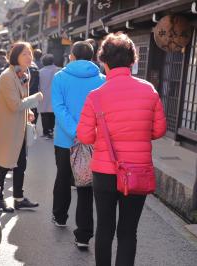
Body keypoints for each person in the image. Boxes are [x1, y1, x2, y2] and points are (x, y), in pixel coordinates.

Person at [77, 33, 166, 266]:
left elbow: (85, 136)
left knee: (105, 228)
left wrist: (105, 138)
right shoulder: (149, 90)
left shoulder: (96, 96)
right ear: (132, 61)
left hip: (105, 172)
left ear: (104, 62)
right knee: (128, 232)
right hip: (137, 171)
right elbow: (159, 130)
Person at [51, 41, 106, 249]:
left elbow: (59, 107)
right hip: (93, 140)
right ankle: (83, 235)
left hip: (66, 140)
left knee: (63, 177)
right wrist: (87, 133)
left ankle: (60, 216)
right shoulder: (103, 79)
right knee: (86, 185)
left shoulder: (60, 78)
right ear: (92, 58)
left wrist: (75, 131)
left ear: (71, 56)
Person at [0, 42, 43, 212]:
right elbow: (15, 104)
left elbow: (22, 99)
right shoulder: (7, 76)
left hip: (20, 125)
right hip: (8, 126)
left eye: (30, 53)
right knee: (4, 163)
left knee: (21, 162)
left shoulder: (23, 74)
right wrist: (35, 99)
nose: (29, 57)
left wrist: (28, 110)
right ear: (15, 56)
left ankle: (19, 198)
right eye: (25, 54)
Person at [38, 54, 59, 139]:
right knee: (53, 113)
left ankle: (46, 131)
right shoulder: (59, 70)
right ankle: (51, 130)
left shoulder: (40, 72)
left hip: (43, 95)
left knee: (44, 114)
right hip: (55, 95)